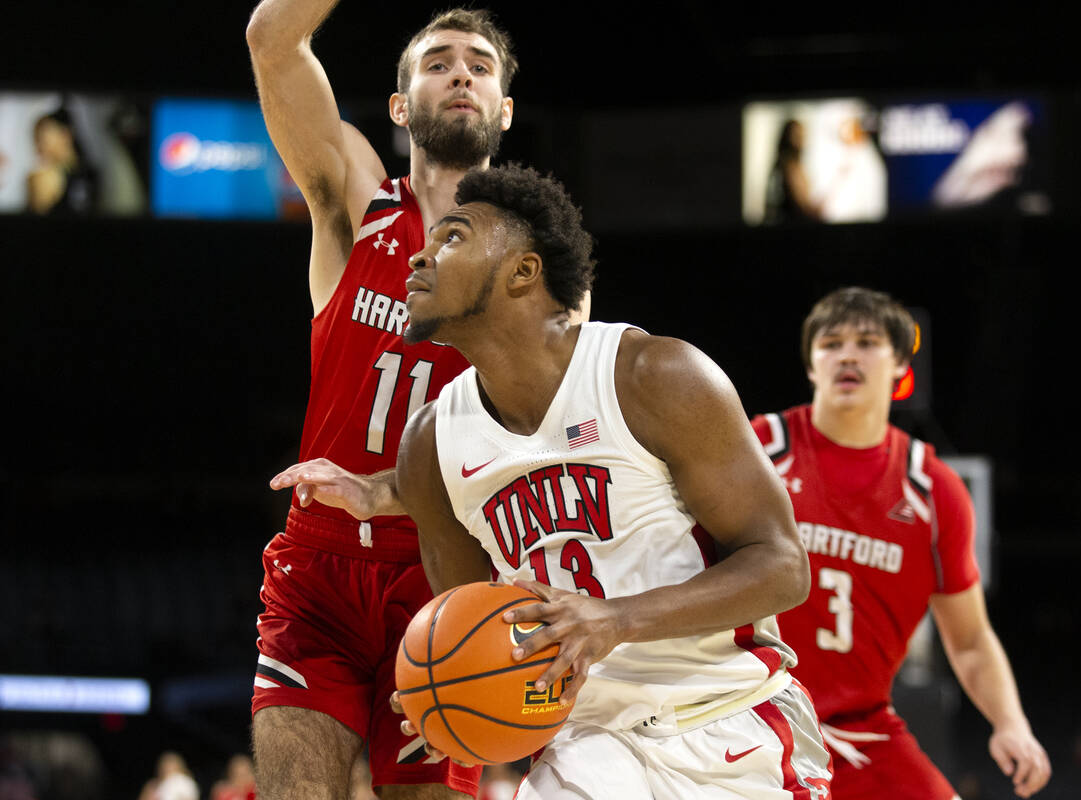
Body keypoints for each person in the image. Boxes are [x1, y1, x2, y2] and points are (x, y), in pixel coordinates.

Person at [300, 162, 833, 798]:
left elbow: (781, 566)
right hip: (585, 747)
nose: (419, 255)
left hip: (726, 718)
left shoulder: (653, 375)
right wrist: (451, 695)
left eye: (453, 238)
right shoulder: (429, 446)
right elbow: (482, 629)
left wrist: (615, 619)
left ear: (524, 271)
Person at [245, 4, 537, 798]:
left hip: (445, 567)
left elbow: (545, 440)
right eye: (439, 61)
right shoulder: (356, 200)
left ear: (504, 109)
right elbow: (273, 40)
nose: (461, 73)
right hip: (322, 562)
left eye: (480, 64)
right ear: (402, 104)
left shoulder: (533, 269)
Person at [749, 286, 1052, 799]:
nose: (847, 353)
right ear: (810, 366)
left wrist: (1011, 722)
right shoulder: (759, 449)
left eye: (867, 342)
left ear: (900, 368)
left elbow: (971, 639)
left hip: (861, 730)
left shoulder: (933, 489)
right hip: (751, 717)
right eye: (830, 343)